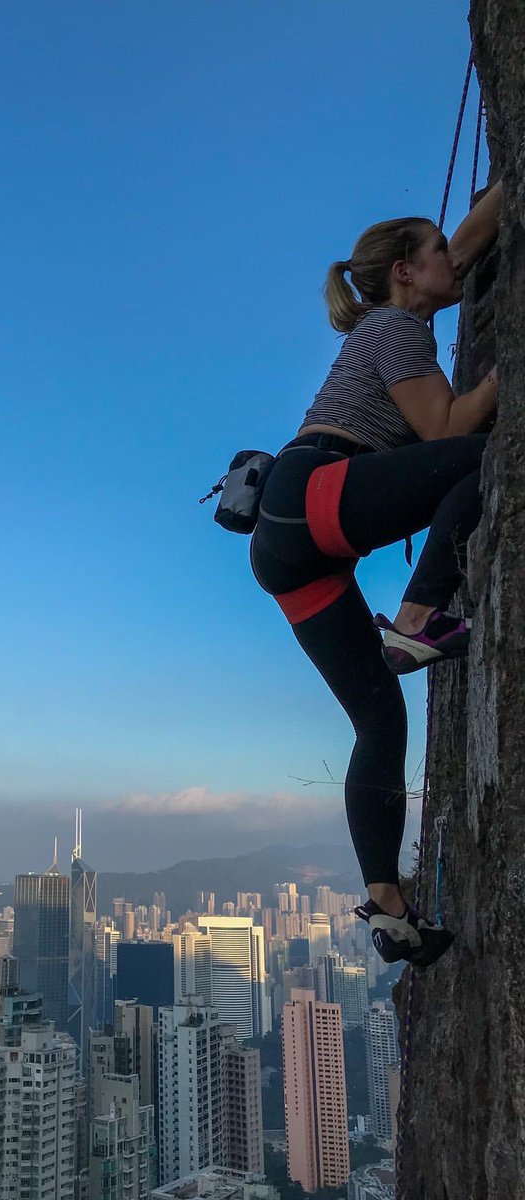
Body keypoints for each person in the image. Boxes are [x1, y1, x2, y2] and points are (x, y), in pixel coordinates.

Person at [250, 182, 502, 966]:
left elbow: (456, 249)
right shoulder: (397, 326)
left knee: (382, 722)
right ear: (402, 271)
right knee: (485, 456)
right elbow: (448, 426)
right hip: (315, 495)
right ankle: (421, 617)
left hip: (289, 544)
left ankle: (388, 906)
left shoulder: (399, 308)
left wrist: (503, 191)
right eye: (434, 258)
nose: (455, 269)